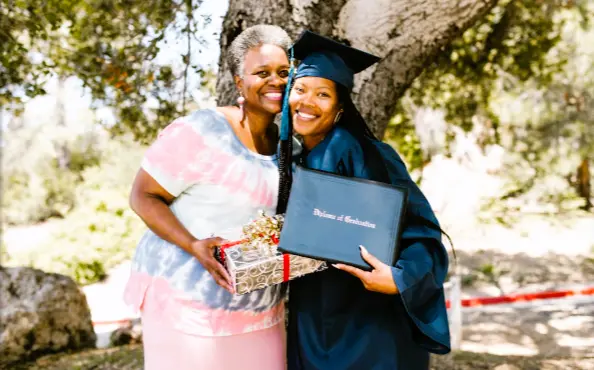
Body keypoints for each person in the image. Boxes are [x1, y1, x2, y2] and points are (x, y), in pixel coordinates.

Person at [276, 31, 452, 370]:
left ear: (340, 108)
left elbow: (423, 232)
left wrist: (400, 279)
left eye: (323, 94)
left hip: (368, 328)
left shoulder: (367, 154)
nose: (307, 101)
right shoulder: (295, 160)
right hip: (315, 322)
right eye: (300, 90)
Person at [123, 25, 291, 370]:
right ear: (238, 81)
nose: (275, 81)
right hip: (186, 308)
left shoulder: (291, 145)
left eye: (284, 72)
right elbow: (143, 196)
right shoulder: (201, 131)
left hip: (261, 308)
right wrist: (193, 243)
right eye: (261, 73)